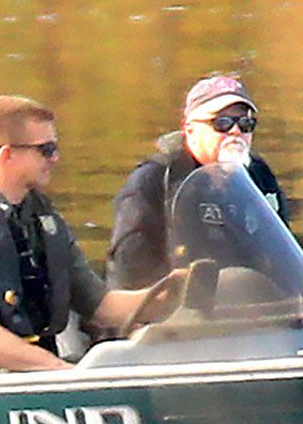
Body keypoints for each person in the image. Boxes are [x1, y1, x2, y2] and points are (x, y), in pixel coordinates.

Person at [0, 96, 175, 373]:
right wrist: (64, 371)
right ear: (7, 154)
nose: (55, 159)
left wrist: (169, 296)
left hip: (34, 370)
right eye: (46, 150)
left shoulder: (41, 218)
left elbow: (100, 305)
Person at [105, 73, 291, 290]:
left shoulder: (261, 178)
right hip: (183, 313)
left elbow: (288, 256)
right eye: (222, 123)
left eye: (245, 124)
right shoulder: (153, 181)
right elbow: (129, 274)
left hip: (254, 309)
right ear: (190, 130)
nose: (235, 132)